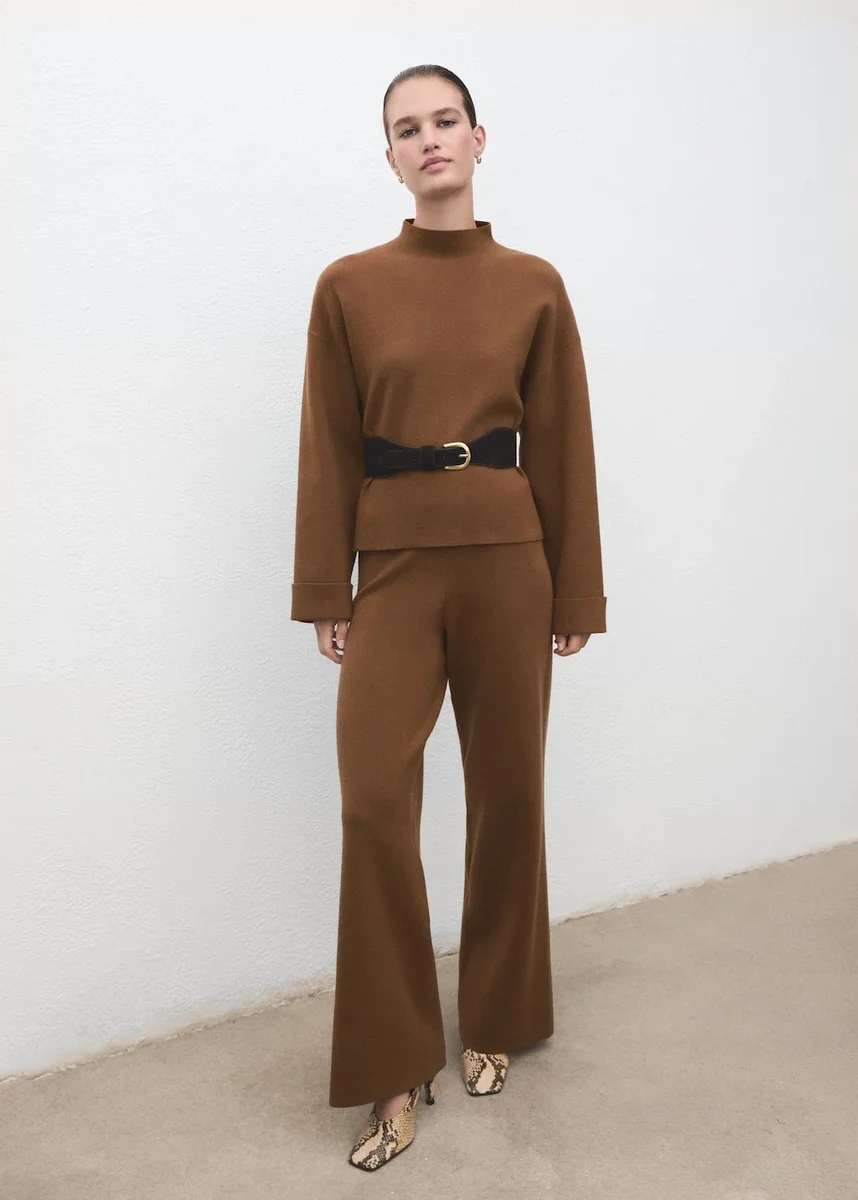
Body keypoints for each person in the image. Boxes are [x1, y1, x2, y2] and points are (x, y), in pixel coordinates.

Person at [290, 63, 608, 1171]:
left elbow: (563, 439)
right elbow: (328, 441)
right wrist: (325, 587)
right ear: (389, 159)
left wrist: (577, 589)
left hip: (510, 558)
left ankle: (502, 1013)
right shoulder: (348, 286)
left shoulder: (534, 284)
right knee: (374, 801)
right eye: (405, 129)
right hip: (394, 560)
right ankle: (393, 1062)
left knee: (509, 791)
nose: (427, 139)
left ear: (479, 138)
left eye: (444, 121)